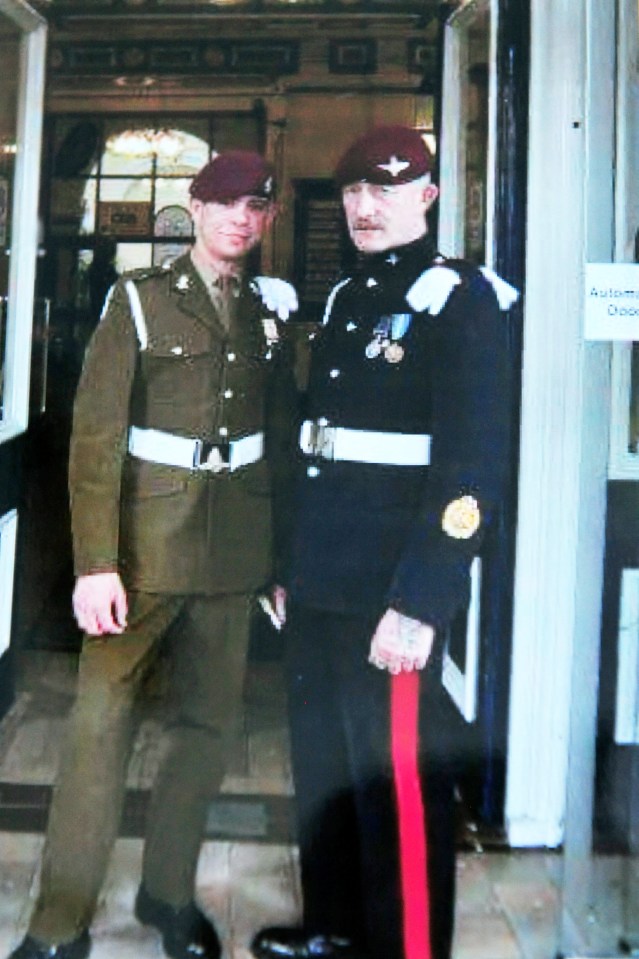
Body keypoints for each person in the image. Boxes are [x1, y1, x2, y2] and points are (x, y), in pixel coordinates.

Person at [8, 150, 298, 959]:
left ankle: (166, 895)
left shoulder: (267, 312)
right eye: (226, 203)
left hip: (233, 555)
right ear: (195, 210)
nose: (241, 219)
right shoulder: (137, 303)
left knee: (205, 732)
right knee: (99, 736)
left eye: (257, 207)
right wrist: (95, 560)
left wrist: (275, 562)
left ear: (268, 218)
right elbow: (94, 442)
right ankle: (60, 923)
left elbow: (274, 444)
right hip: (138, 559)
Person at [251, 125, 518, 959]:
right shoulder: (343, 298)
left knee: (395, 780)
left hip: (389, 589)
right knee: (324, 762)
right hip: (322, 576)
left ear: (427, 198)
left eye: (387, 190)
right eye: (355, 191)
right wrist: (289, 567)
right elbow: (317, 448)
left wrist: (420, 599)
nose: (366, 208)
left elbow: (472, 472)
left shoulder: (463, 300)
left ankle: (403, 947)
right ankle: (332, 926)